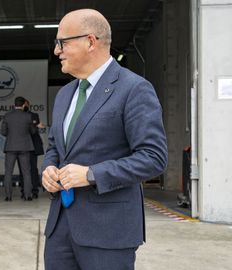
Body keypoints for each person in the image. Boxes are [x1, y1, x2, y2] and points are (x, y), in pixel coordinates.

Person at [41, 9, 167, 270]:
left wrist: (91, 174)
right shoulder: (65, 94)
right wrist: (48, 169)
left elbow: (153, 158)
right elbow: (56, 146)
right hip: (60, 229)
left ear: (90, 41)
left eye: (62, 42)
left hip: (108, 233)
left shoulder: (134, 89)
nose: (56, 51)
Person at [1, 96, 37, 201]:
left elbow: (3, 132)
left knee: (8, 172)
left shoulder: (7, 116)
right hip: (25, 147)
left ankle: (8, 196)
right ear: (23, 105)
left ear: (14, 104)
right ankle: (28, 196)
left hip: (10, 147)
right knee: (26, 172)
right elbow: (33, 131)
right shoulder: (28, 116)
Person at [20, 99, 45, 199]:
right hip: (22, 146)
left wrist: (35, 125)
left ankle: (35, 190)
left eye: (26, 104)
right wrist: (35, 125)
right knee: (23, 170)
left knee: (33, 169)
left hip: (33, 146)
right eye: (24, 105)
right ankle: (24, 191)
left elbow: (35, 130)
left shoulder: (34, 115)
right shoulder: (18, 116)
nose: (25, 106)